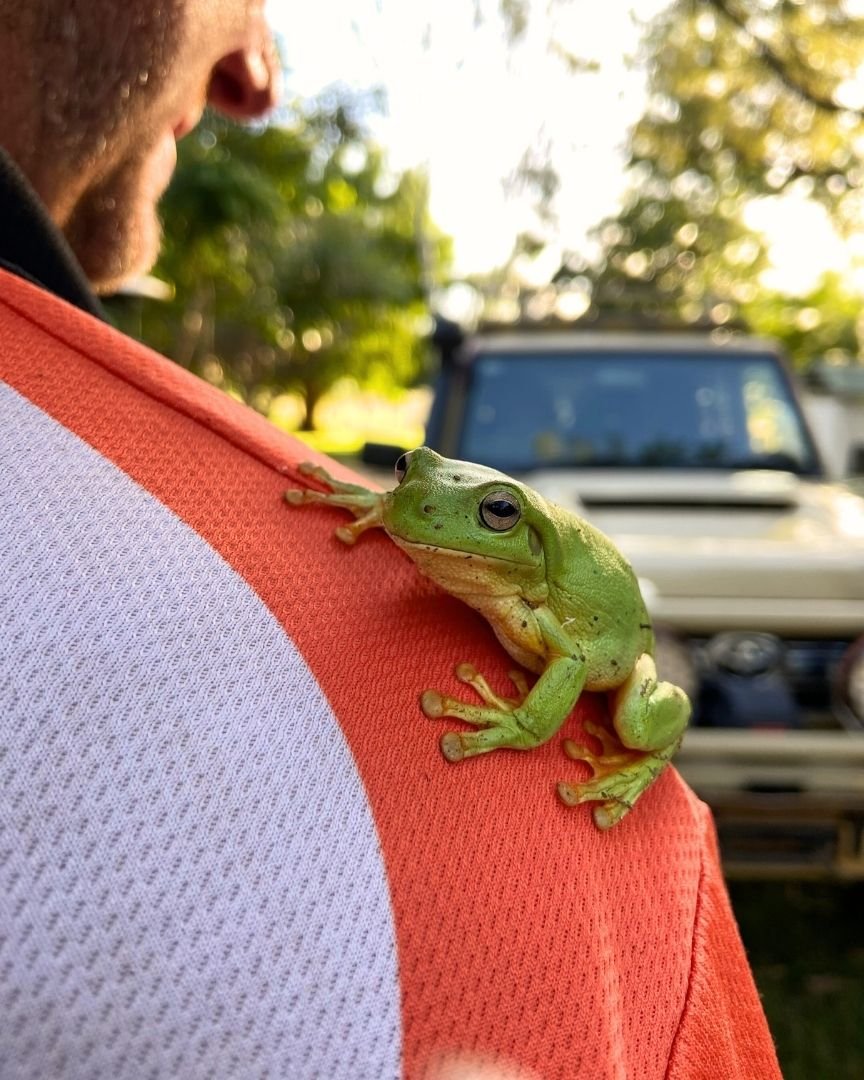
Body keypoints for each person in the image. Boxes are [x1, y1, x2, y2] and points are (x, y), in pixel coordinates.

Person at [0, 3, 781, 1078]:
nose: (257, 72)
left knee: (639, 707)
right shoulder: (629, 912)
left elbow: (569, 666)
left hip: (605, 654)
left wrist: (528, 728)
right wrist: (389, 503)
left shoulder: (550, 625)